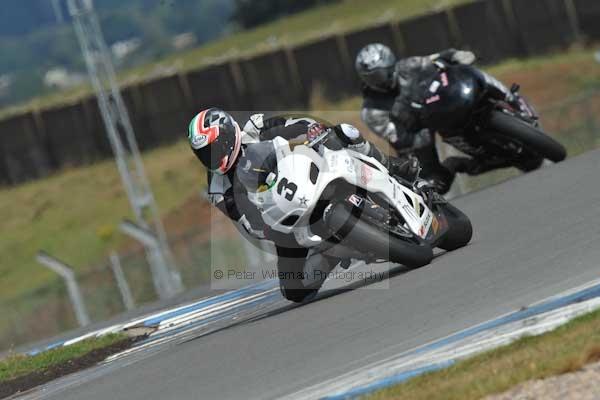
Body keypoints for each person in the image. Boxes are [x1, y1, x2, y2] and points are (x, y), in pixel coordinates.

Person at [188, 108, 420, 301]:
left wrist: (312, 130)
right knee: (293, 290)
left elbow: (295, 124)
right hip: (282, 215)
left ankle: (393, 165)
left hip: (306, 169)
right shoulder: (218, 189)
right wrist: (269, 230)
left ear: (228, 135)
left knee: (344, 132)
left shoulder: (254, 127)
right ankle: (331, 255)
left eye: (213, 148)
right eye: (204, 154)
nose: (211, 158)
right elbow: (247, 221)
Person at [355, 43, 521, 193]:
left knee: (470, 72)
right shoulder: (372, 110)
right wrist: (421, 124)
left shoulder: (408, 66)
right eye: (371, 78)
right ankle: (459, 164)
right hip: (417, 135)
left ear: (391, 65)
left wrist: (455, 55)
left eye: (380, 74)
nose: (379, 81)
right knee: (434, 184)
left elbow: (436, 58)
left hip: (440, 104)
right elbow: (399, 138)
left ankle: (509, 99)